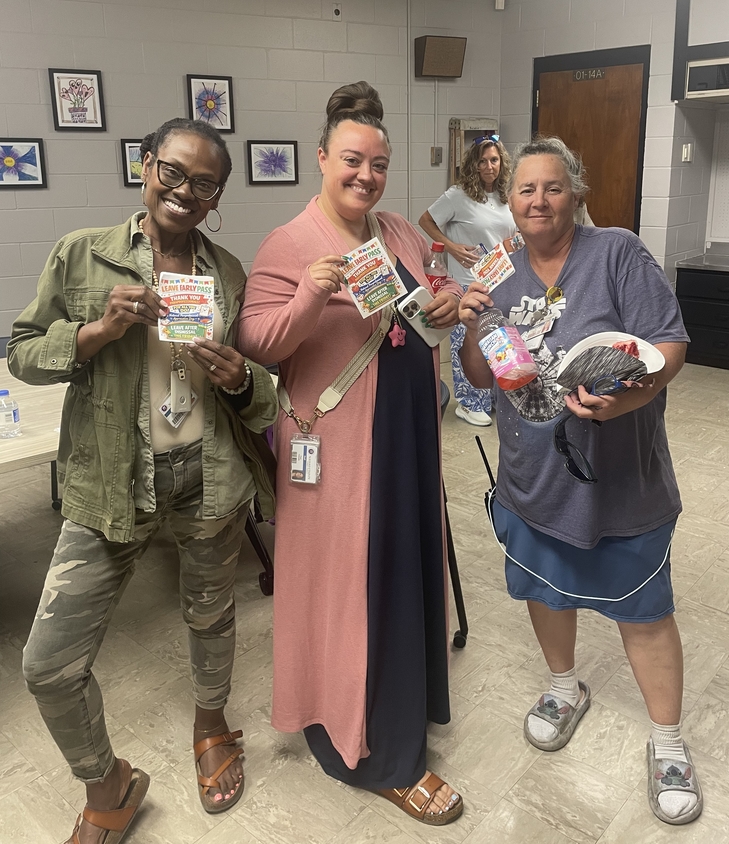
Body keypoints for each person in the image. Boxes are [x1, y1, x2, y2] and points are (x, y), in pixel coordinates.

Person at [8, 118, 278, 844]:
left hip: (209, 479)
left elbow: (260, 395)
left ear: (217, 196)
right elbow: (23, 354)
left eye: (205, 184)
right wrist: (94, 333)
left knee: (211, 616)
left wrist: (239, 376)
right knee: (47, 666)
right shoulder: (82, 255)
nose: (184, 192)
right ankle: (109, 784)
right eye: (173, 173)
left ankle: (212, 721)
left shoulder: (224, 272)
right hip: (111, 483)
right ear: (145, 167)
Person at [239, 82, 465, 826]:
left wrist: (443, 300)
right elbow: (258, 345)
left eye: (378, 164)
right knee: (354, 590)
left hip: (405, 435)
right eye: (351, 161)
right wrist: (308, 294)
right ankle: (380, 755)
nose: (365, 176)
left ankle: (402, 709)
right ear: (321, 158)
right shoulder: (290, 242)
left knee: (401, 577)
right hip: (339, 450)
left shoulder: (397, 231)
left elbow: (429, 294)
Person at [458, 135, 702, 826]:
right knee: (545, 586)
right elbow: (482, 378)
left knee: (644, 610)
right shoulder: (498, 268)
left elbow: (671, 342)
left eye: (552, 187)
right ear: (509, 201)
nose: (538, 200)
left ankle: (669, 742)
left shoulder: (617, 252)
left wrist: (627, 399)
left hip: (619, 476)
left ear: (576, 193)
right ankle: (564, 688)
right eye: (525, 189)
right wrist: (474, 323)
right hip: (531, 475)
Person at [419, 134, 516, 427]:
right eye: (483, 161)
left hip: (502, 279)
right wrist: (451, 246)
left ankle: (493, 397)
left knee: (497, 342)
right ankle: (469, 402)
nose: (489, 167)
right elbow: (426, 220)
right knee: (468, 341)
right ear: (473, 165)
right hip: (467, 281)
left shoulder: (506, 195)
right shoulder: (458, 196)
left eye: (494, 160)